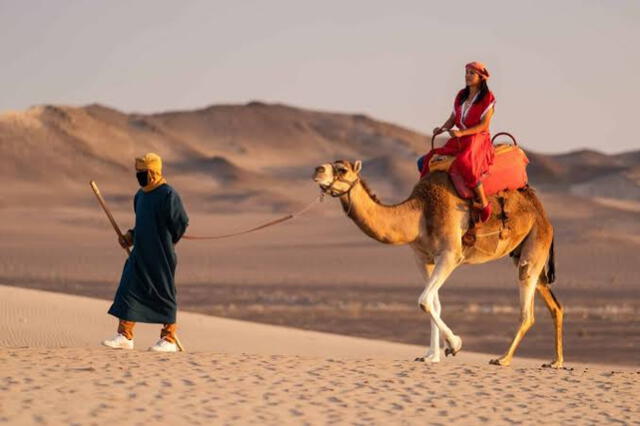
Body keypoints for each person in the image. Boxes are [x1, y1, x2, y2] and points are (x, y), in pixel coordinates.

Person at [102, 153, 189, 352]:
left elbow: (181, 223)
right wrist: (129, 237)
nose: (139, 176)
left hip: (161, 255)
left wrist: (167, 241)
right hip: (140, 253)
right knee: (129, 287)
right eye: (138, 172)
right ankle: (125, 335)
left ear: (154, 172)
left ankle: (168, 339)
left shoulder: (168, 194)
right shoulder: (140, 195)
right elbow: (141, 225)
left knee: (164, 292)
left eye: (143, 172)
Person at [418, 61, 496, 222]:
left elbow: (484, 125)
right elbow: (453, 118)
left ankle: (483, 203)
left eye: (471, 73)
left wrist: (462, 132)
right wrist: (442, 128)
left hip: (477, 138)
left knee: (464, 162)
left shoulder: (488, 98)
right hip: (459, 138)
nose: (467, 76)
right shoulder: (461, 95)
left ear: (481, 77)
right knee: (429, 158)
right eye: (466, 72)